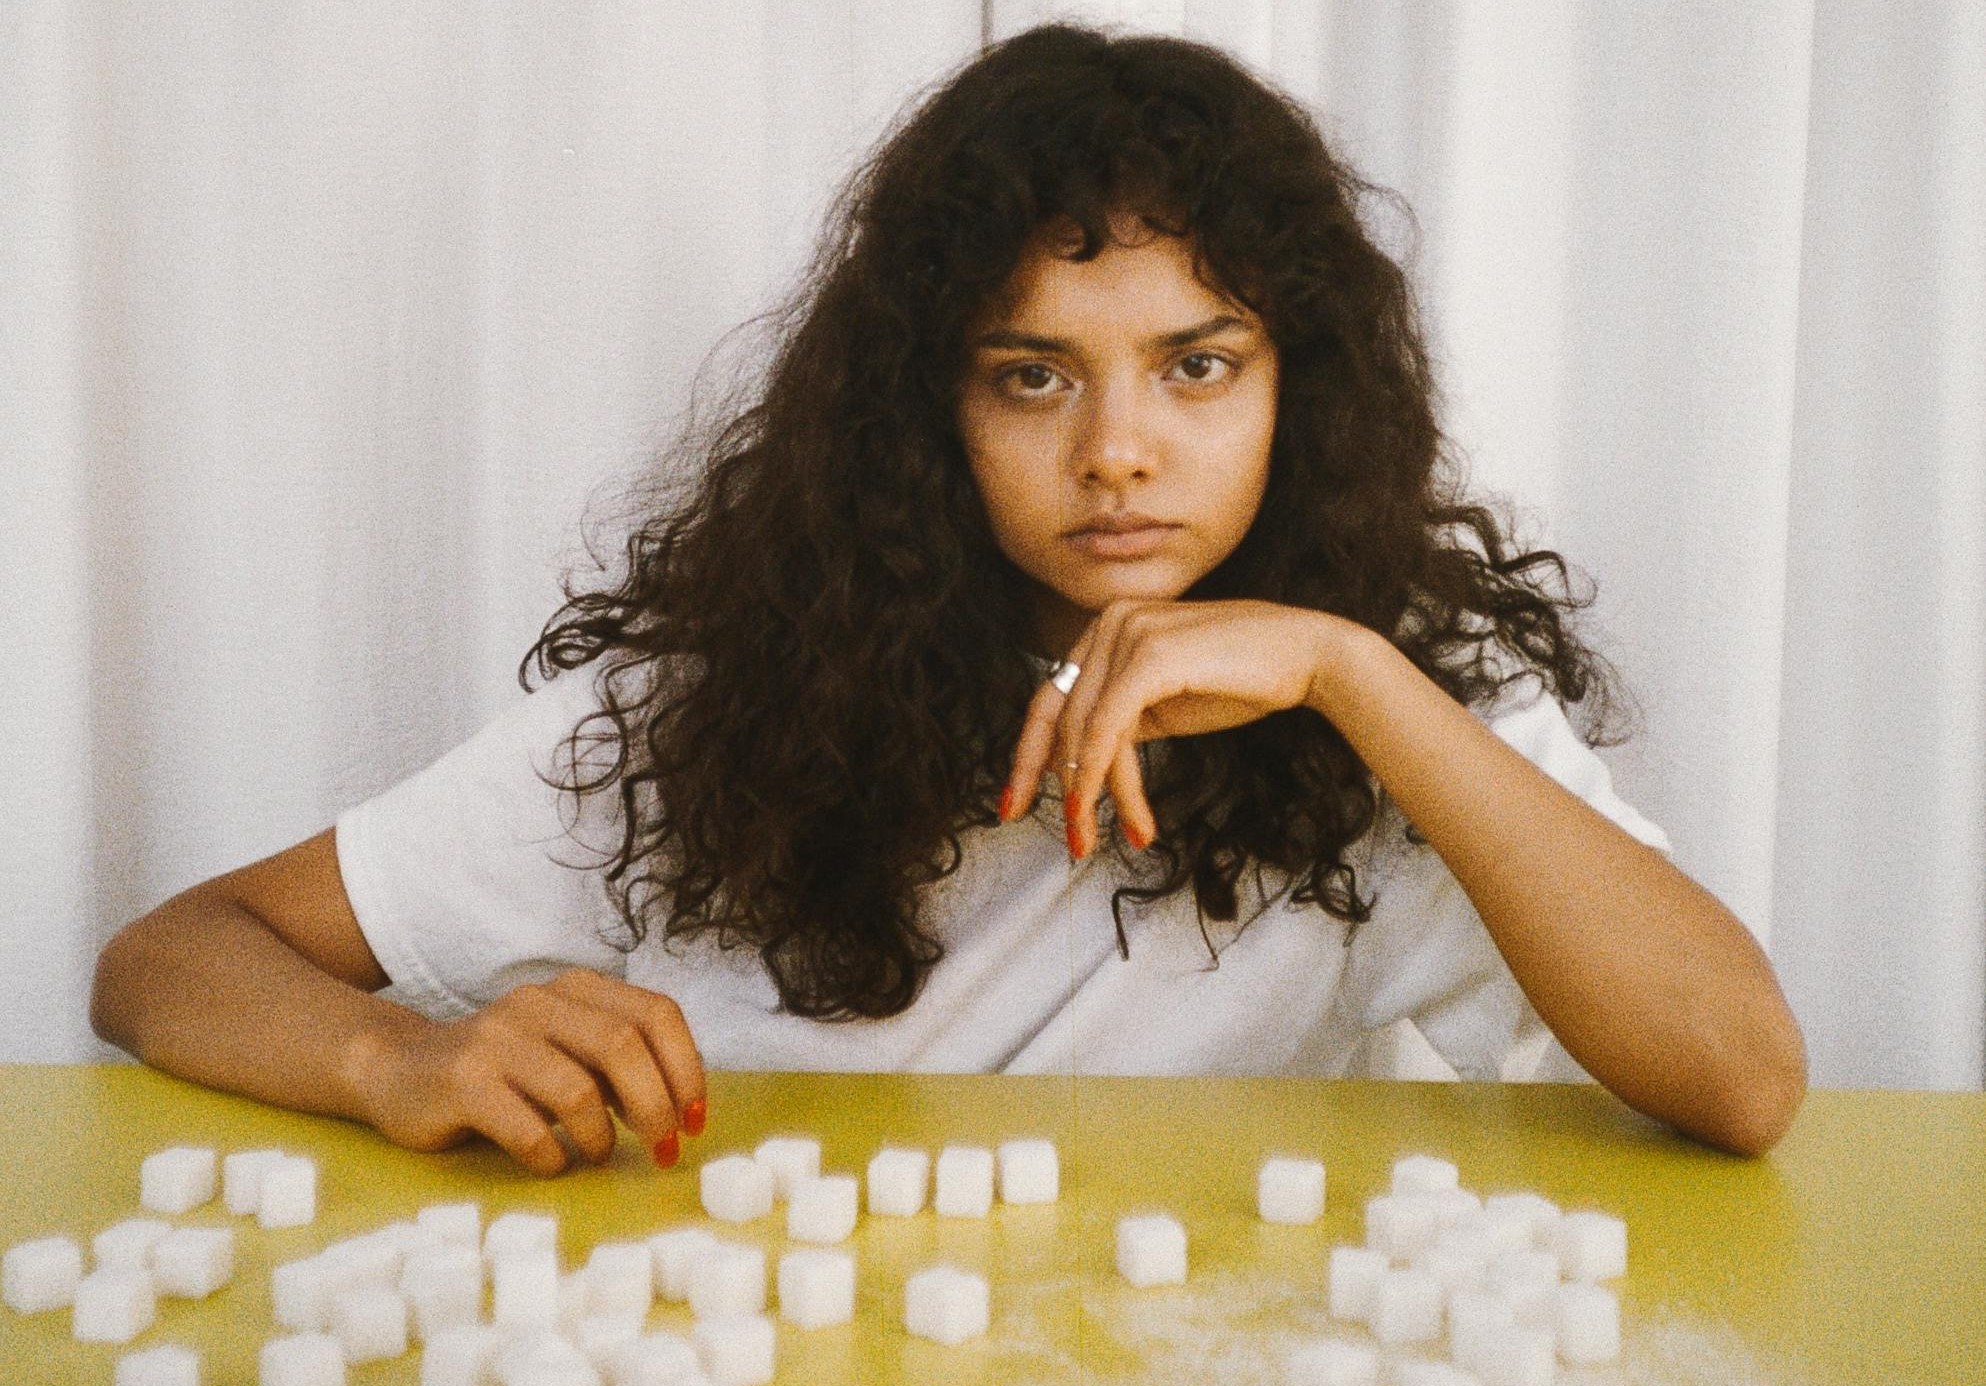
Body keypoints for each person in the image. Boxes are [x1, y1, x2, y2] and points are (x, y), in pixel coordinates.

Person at [90, 24, 1806, 1176]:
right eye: (1032, 378)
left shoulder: (1394, 713)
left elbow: (1742, 1076)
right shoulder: (717, 703)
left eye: (1196, 366)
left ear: (1305, 389)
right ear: (930, 406)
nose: (1119, 451)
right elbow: (171, 956)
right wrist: (404, 1063)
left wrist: (1356, 676)